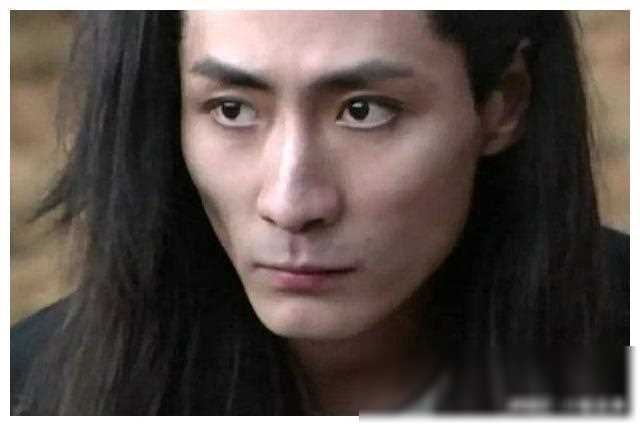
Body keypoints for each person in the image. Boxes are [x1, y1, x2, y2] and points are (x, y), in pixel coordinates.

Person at [11, 11, 629, 415]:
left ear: (504, 104)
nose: (290, 204)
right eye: (232, 109)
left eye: (364, 110)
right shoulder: (36, 388)